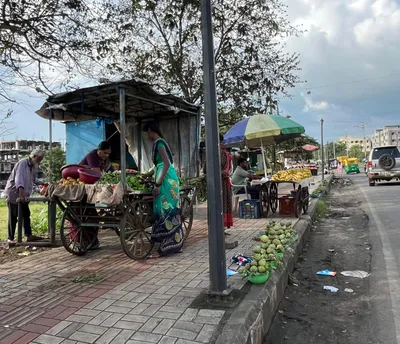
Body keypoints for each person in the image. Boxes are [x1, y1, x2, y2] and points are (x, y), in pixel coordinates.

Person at [142, 121, 183, 256]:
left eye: (147, 133)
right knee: (164, 208)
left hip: (166, 179)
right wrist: (146, 174)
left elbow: (165, 163)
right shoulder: (161, 142)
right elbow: (159, 165)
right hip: (165, 175)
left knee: (166, 209)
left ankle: (171, 245)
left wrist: (158, 183)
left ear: (150, 131)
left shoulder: (159, 143)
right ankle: (170, 243)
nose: (147, 136)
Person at [4, 149, 46, 243]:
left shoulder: (34, 166)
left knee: (26, 214)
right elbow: (19, 179)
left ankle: (28, 235)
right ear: (34, 156)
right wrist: (21, 193)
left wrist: (44, 183)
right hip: (14, 193)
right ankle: (10, 238)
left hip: (24, 194)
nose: (40, 161)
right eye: (39, 159)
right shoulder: (23, 163)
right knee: (13, 216)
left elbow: (34, 180)